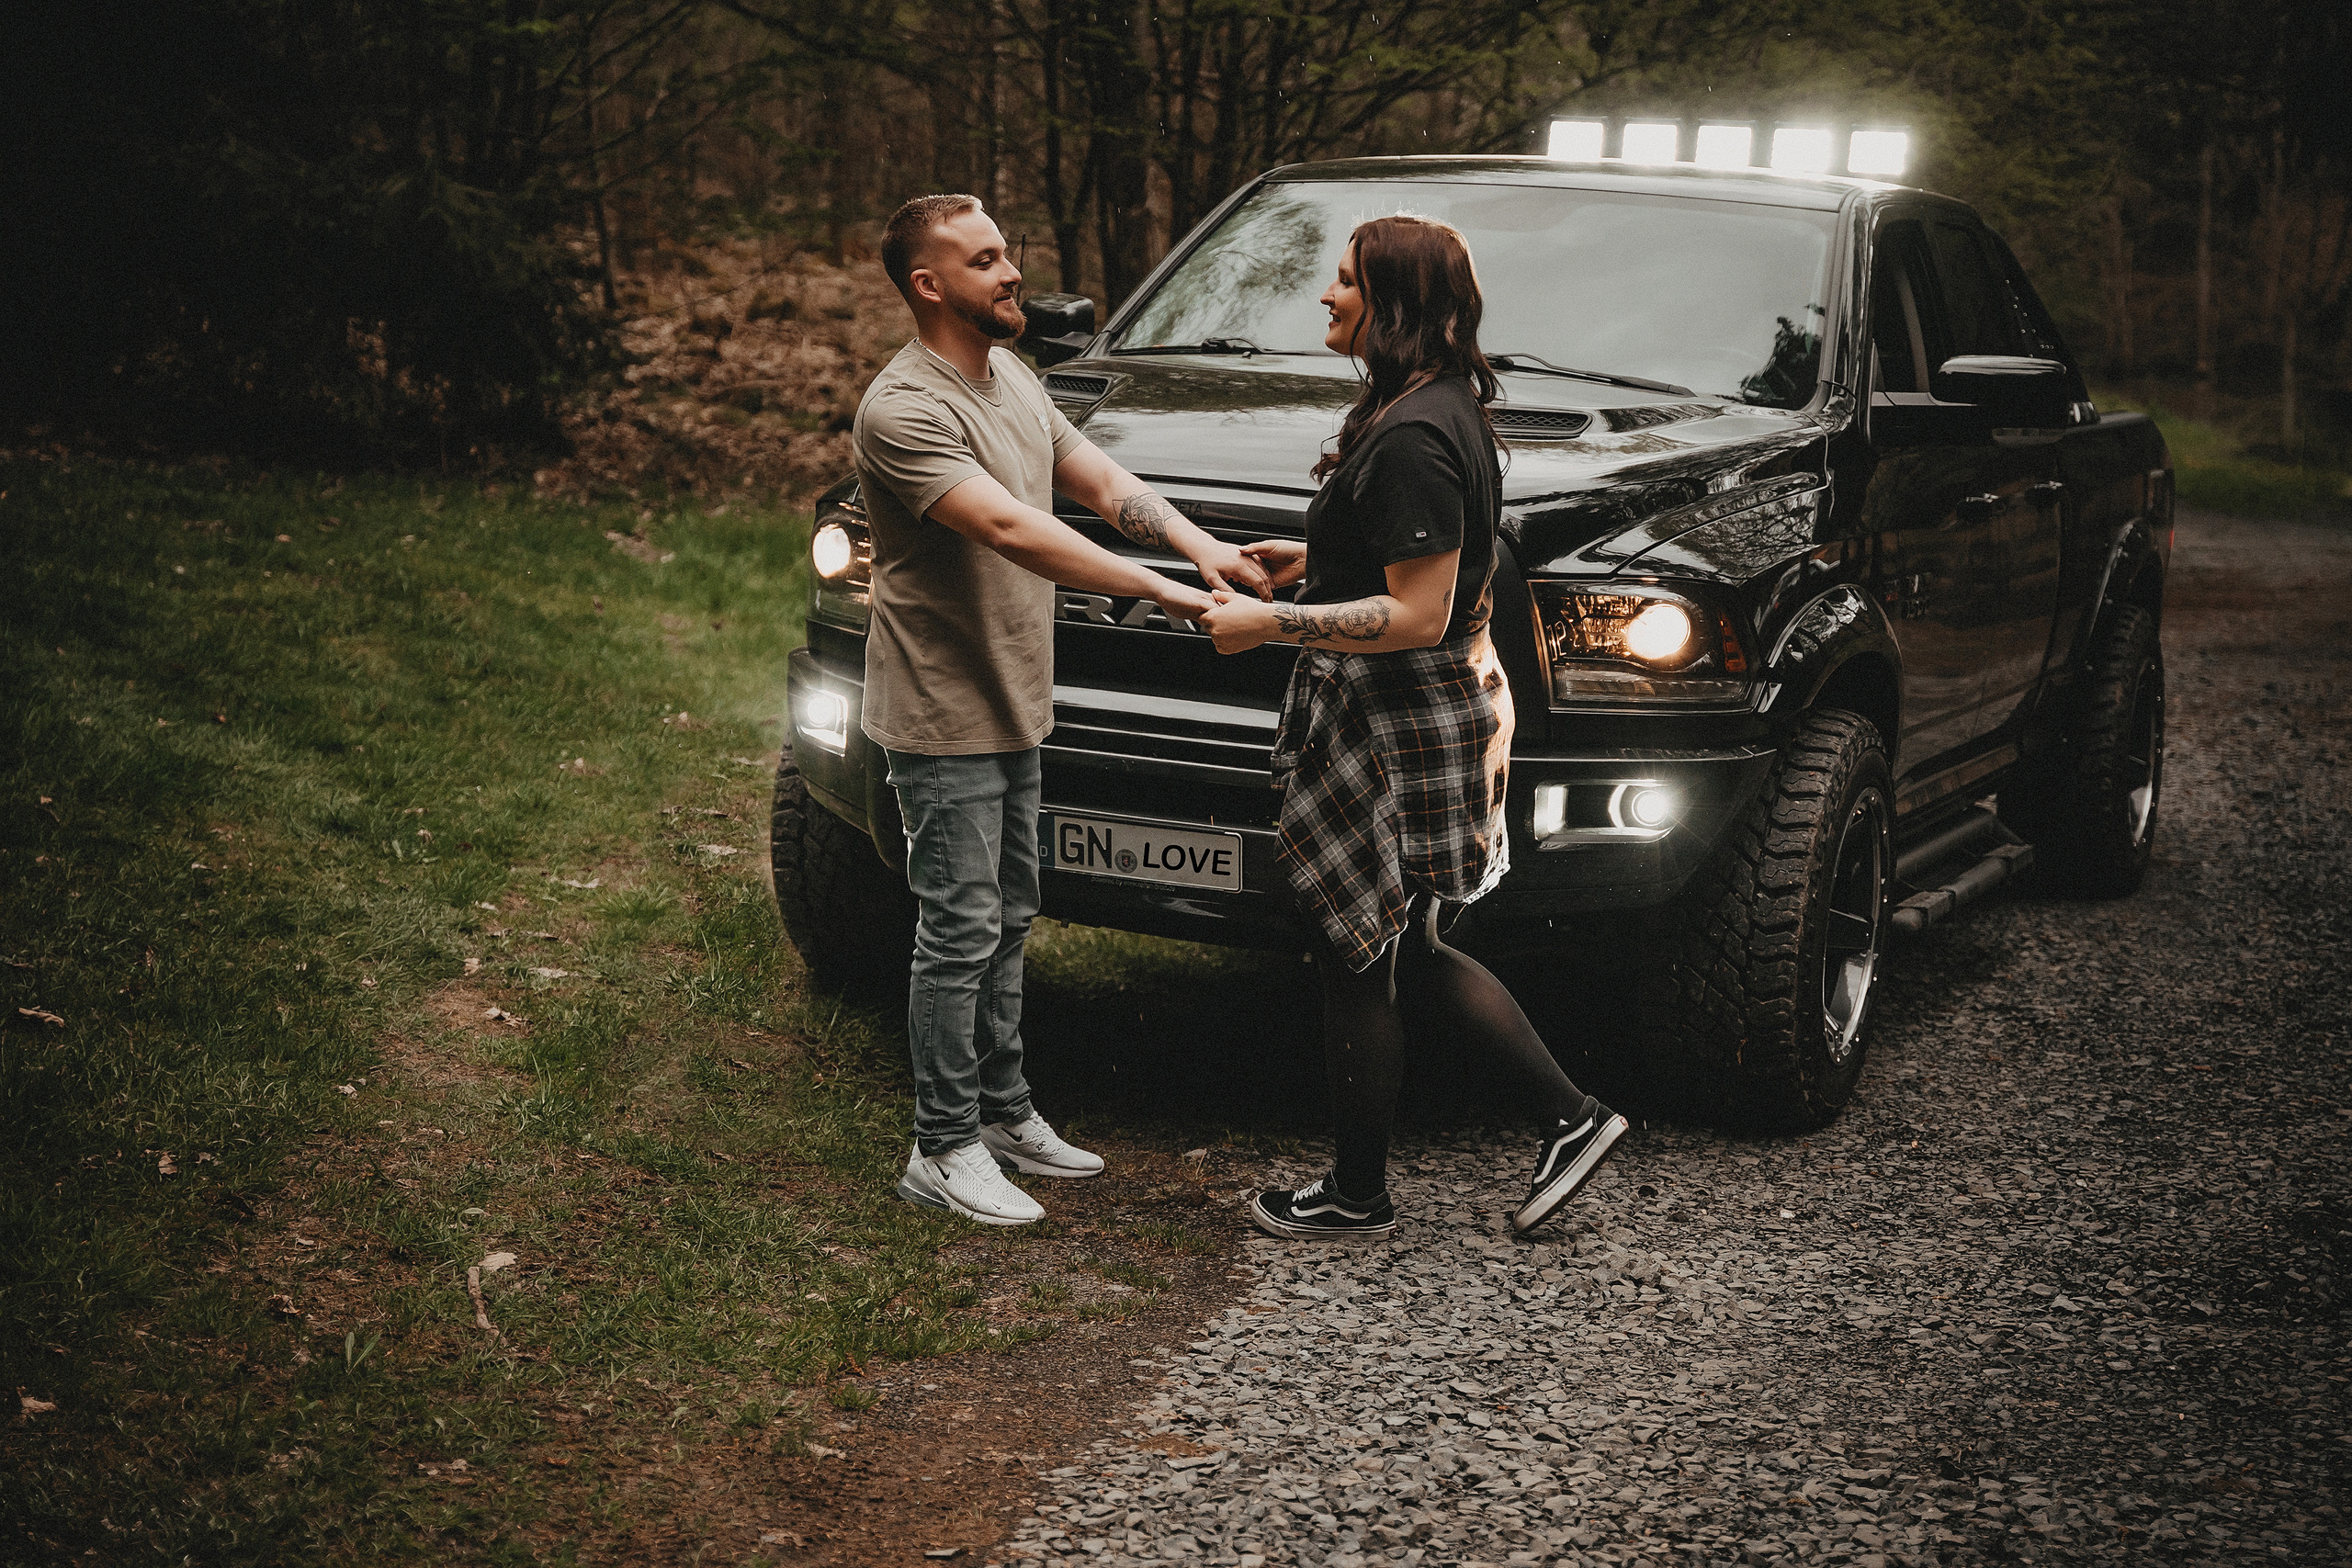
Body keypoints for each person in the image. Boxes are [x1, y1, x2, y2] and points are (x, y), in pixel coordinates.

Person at [1198, 214, 1628, 1241]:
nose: (1327, 297)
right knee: (1402, 943)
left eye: (1345, 281)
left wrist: (1272, 621)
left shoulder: (1412, 436)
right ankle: (1558, 1121)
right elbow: (1419, 569)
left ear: (1392, 302)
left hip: (1392, 720)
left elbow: (1419, 614)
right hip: (1408, 710)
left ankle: (1368, 1189)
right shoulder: (1428, 407)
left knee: (1362, 951)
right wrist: (1317, 564)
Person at [855, 193, 1272, 1227]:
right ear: (928, 284)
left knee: (1008, 917)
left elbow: (1096, 480)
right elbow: (1010, 529)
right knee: (957, 930)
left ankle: (1002, 1112)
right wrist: (1167, 593)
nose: (1011, 272)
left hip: (1014, 700)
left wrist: (1199, 547)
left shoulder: (1014, 378)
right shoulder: (903, 409)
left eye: (1008, 251)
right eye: (985, 258)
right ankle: (941, 1147)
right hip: (942, 709)